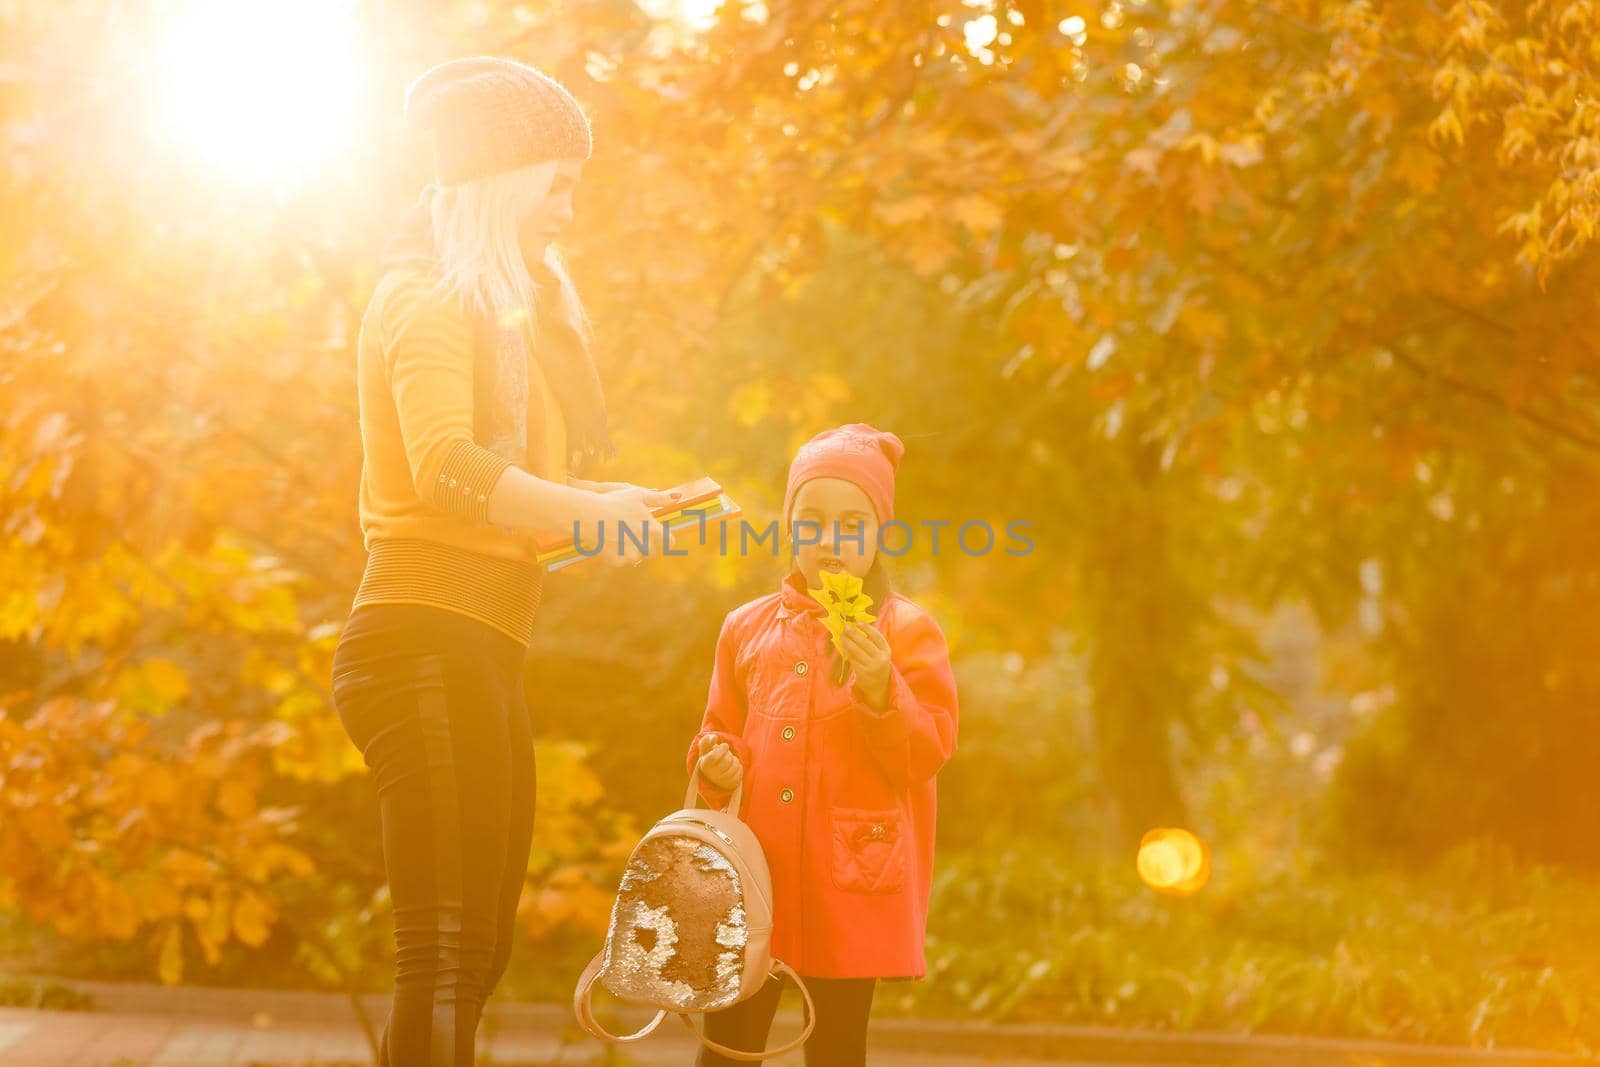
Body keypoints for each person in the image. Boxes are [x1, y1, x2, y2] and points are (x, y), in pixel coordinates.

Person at [330, 55, 677, 1067]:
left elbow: (513, 509)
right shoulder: (425, 297)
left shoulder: (508, 316)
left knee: (477, 952)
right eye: (556, 184)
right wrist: (587, 507)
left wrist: (624, 512)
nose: (568, 209)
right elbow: (447, 469)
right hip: (418, 642)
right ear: (503, 177)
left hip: (479, 644)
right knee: (441, 955)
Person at [685, 423, 961, 1066]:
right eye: (810, 521)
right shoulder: (744, 629)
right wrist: (717, 766)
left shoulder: (908, 632)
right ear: (790, 529)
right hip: (754, 881)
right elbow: (716, 734)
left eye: (850, 523)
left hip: (850, 878)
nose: (829, 539)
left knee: (837, 1047)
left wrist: (878, 686)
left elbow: (927, 755)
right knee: (726, 1046)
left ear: (878, 534)